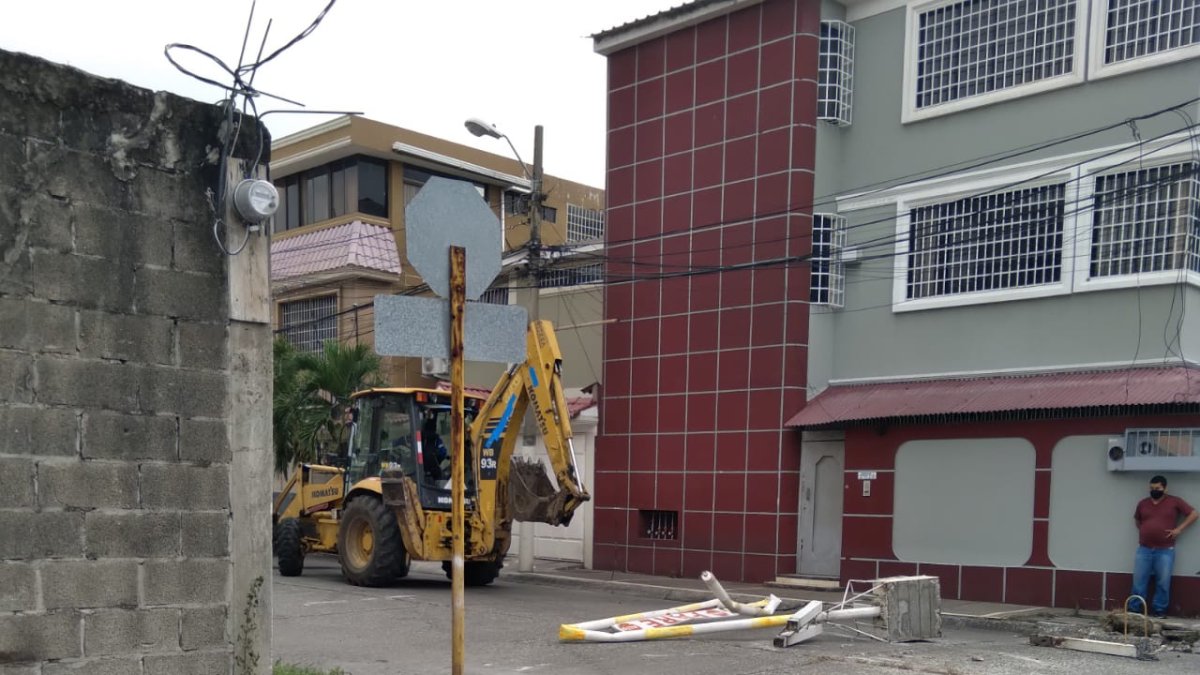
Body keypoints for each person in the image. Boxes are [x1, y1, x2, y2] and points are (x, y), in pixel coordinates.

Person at [1130, 475, 1197, 617]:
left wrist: (1179, 529)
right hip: (1144, 549)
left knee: (1163, 582)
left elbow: (1194, 514)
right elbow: (1137, 520)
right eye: (1152, 488)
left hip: (1165, 550)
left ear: (1165, 489)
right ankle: (1135, 610)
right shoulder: (1143, 503)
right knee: (1139, 581)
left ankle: (1159, 610)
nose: (1154, 490)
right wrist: (1146, 530)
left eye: (1158, 488)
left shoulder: (1174, 501)